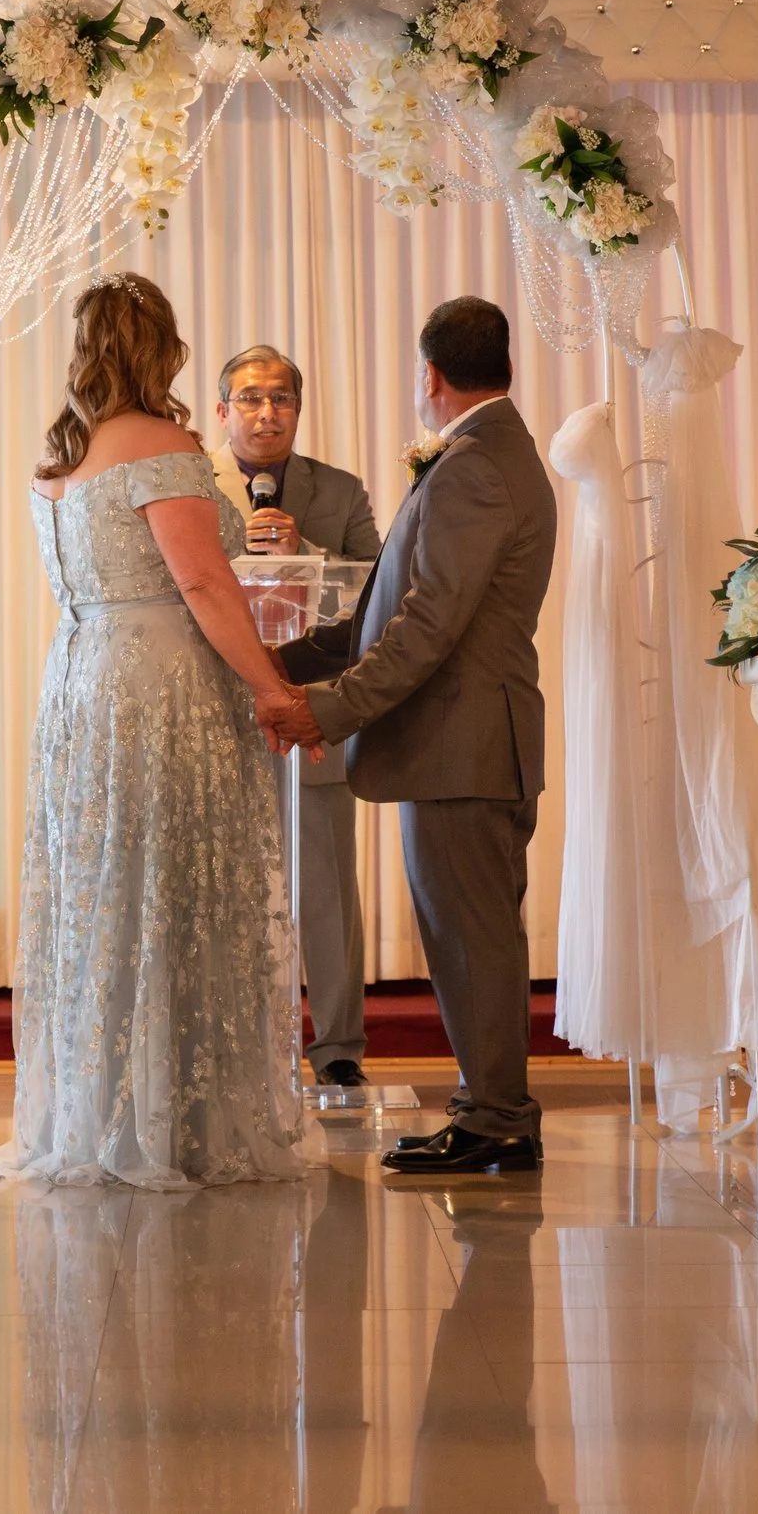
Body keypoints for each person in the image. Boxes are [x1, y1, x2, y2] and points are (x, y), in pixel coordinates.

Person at [0, 272, 310, 1190]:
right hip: (160, 684)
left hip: (81, 681)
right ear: (159, 349)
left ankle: (98, 1108)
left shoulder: (60, 460)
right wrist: (275, 688)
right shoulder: (164, 446)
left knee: (106, 894)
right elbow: (203, 585)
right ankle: (178, 1120)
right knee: (170, 885)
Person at [265, 297, 557, 1175]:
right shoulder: (492, 453)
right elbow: (380, 612)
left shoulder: (472, 466)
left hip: (462, 745)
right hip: (463, 742)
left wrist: (328, 708)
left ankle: (497, 1117)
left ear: (431, 374)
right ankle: (487, 1110)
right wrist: (280, 658)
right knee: (473, 935)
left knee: (472, 939)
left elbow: (427, 626)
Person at [209, 344, 382, 1089]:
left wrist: (304, 550)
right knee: (219, 884)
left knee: (326, 886)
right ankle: (232, 1045)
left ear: (299, 410)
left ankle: (338, 1047)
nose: (266, 412)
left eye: (280, 398)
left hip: (313, 712)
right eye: (249, 398)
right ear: (222, 411)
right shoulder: (191, 487)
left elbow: (379, 596)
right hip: (220, 710)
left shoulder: (338, 492)